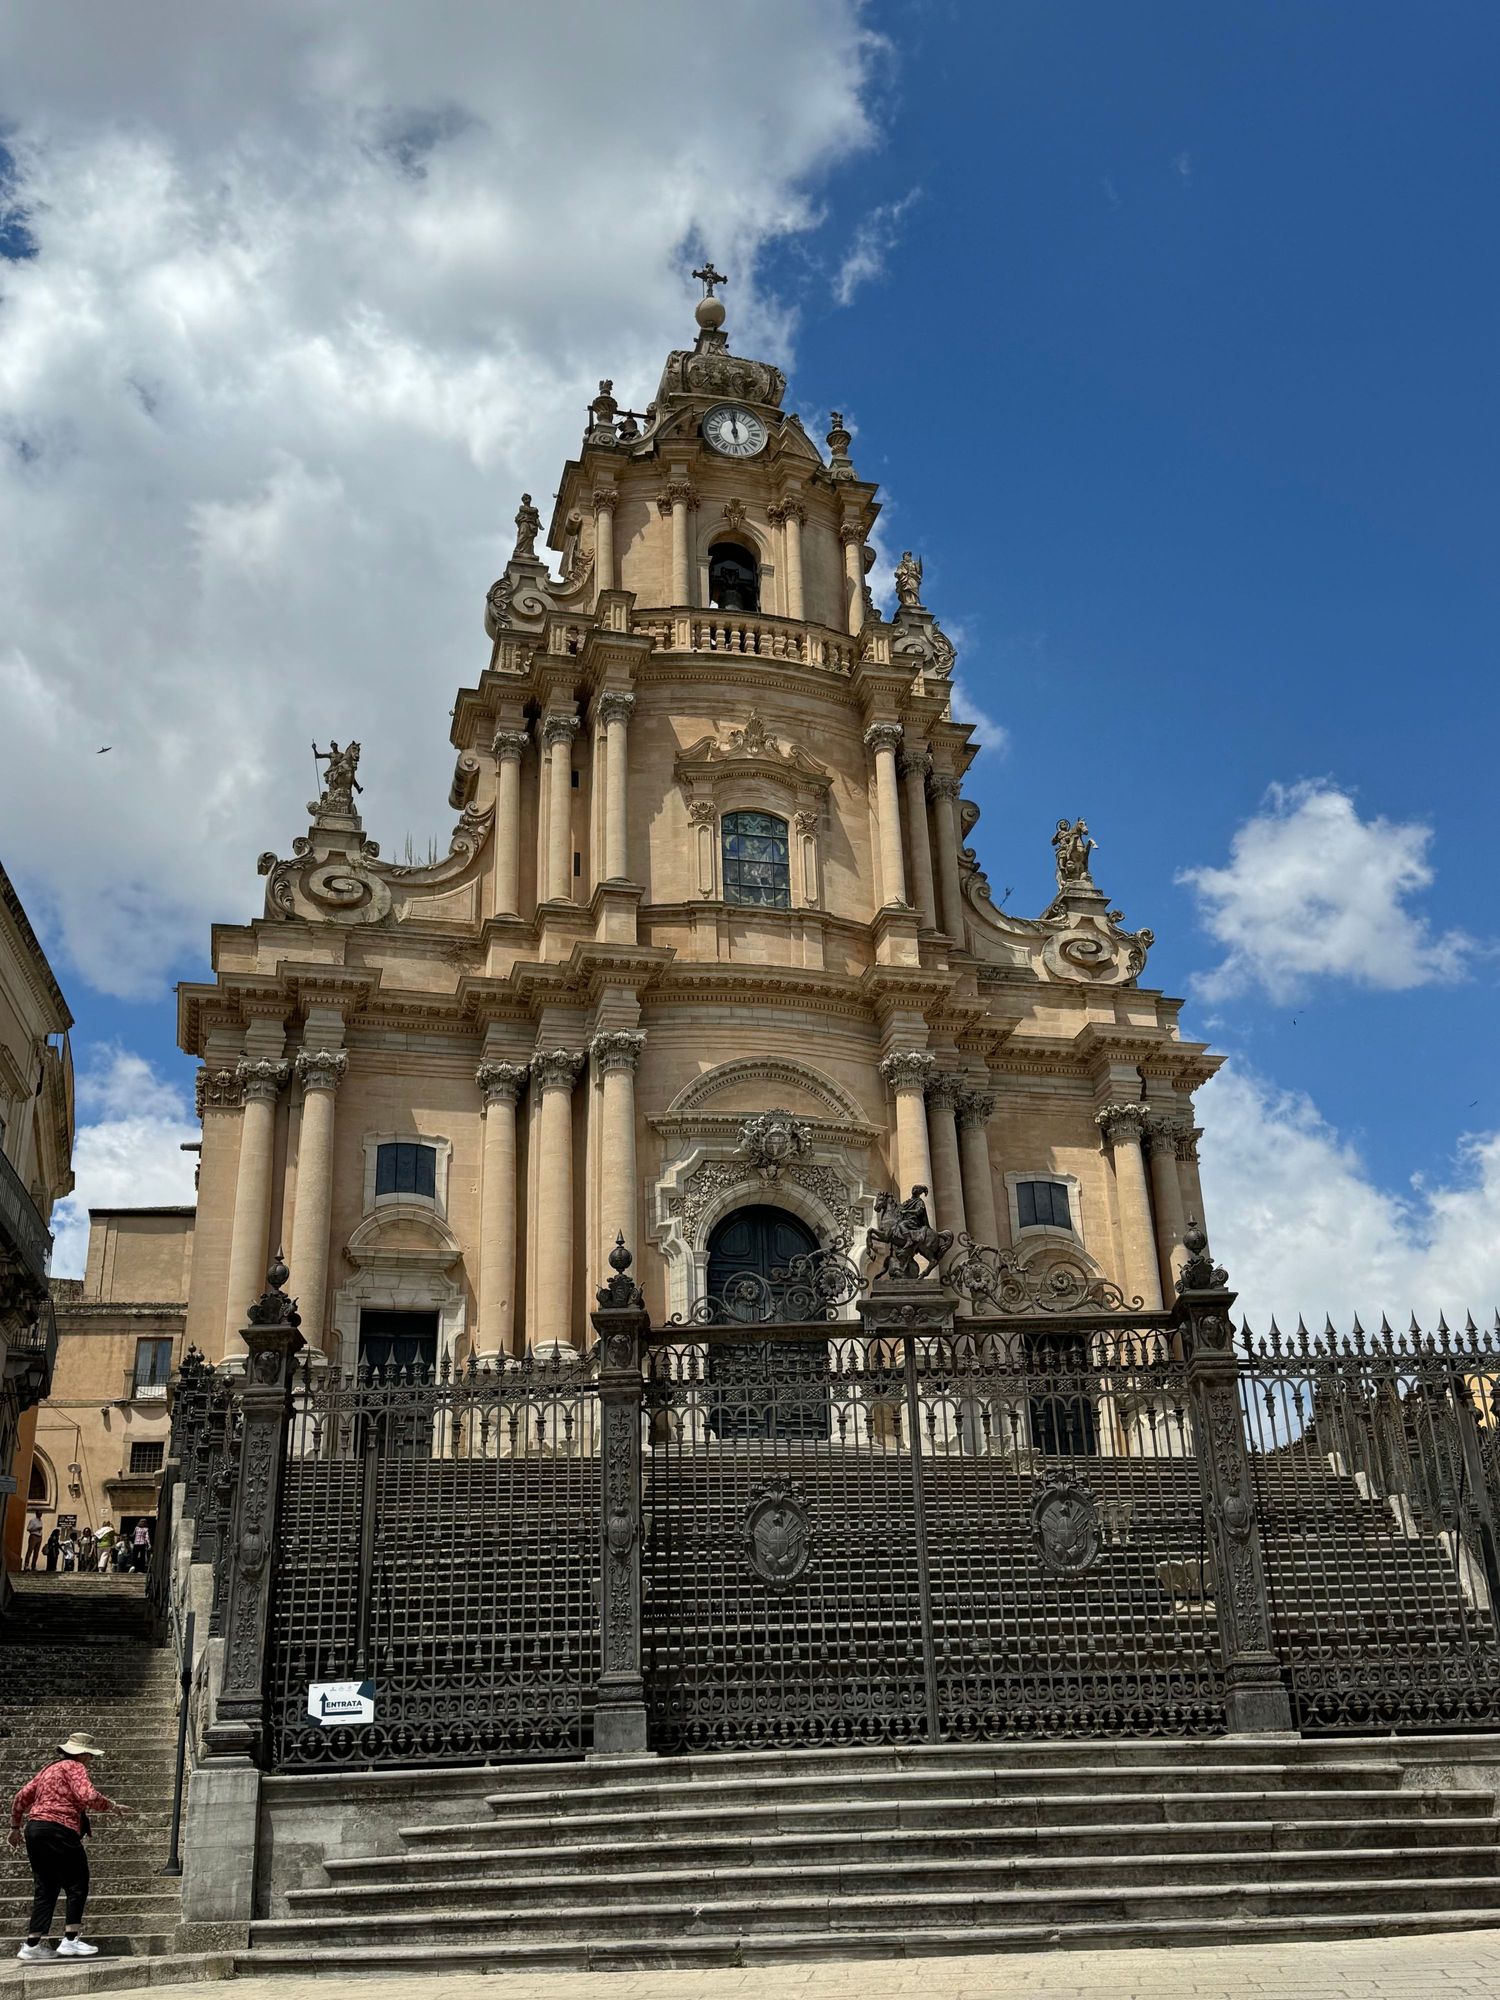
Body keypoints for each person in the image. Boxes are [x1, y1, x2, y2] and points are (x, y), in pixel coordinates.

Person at [9, 1730, 132, 1961]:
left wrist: (15, 1827)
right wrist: (112, 1805)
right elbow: (88, 1795)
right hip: (59, 1828)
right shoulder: (75, 1767)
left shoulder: (48, 1769)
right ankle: (71, 1939)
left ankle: (32, 1944)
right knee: (77, 1882)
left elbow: (20, 1797)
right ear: (83, 1754)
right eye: (90, 1755)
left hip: (35, 1829)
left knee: (46, 1886)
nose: (91, 1759)